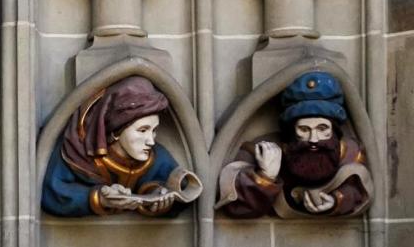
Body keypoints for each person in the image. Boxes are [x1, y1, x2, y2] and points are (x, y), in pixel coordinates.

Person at [217, 70, 373, 218]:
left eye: (322, 129)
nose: (313, 139)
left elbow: (358, 189)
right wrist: (265, 176)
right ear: (291, 131)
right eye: (304, 129)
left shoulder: (351, 152)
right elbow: (234, 203)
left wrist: (336, 201)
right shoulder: (262, 150)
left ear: (335, 131)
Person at [42, 75, 198, 217]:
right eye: (142, 130)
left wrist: (157, 195)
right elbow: (52, 193)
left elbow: (183, 190)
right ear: (117, 130)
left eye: (154, 130)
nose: (151, 141)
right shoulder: (77, 152)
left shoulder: (157, 157)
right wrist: (99, 199)